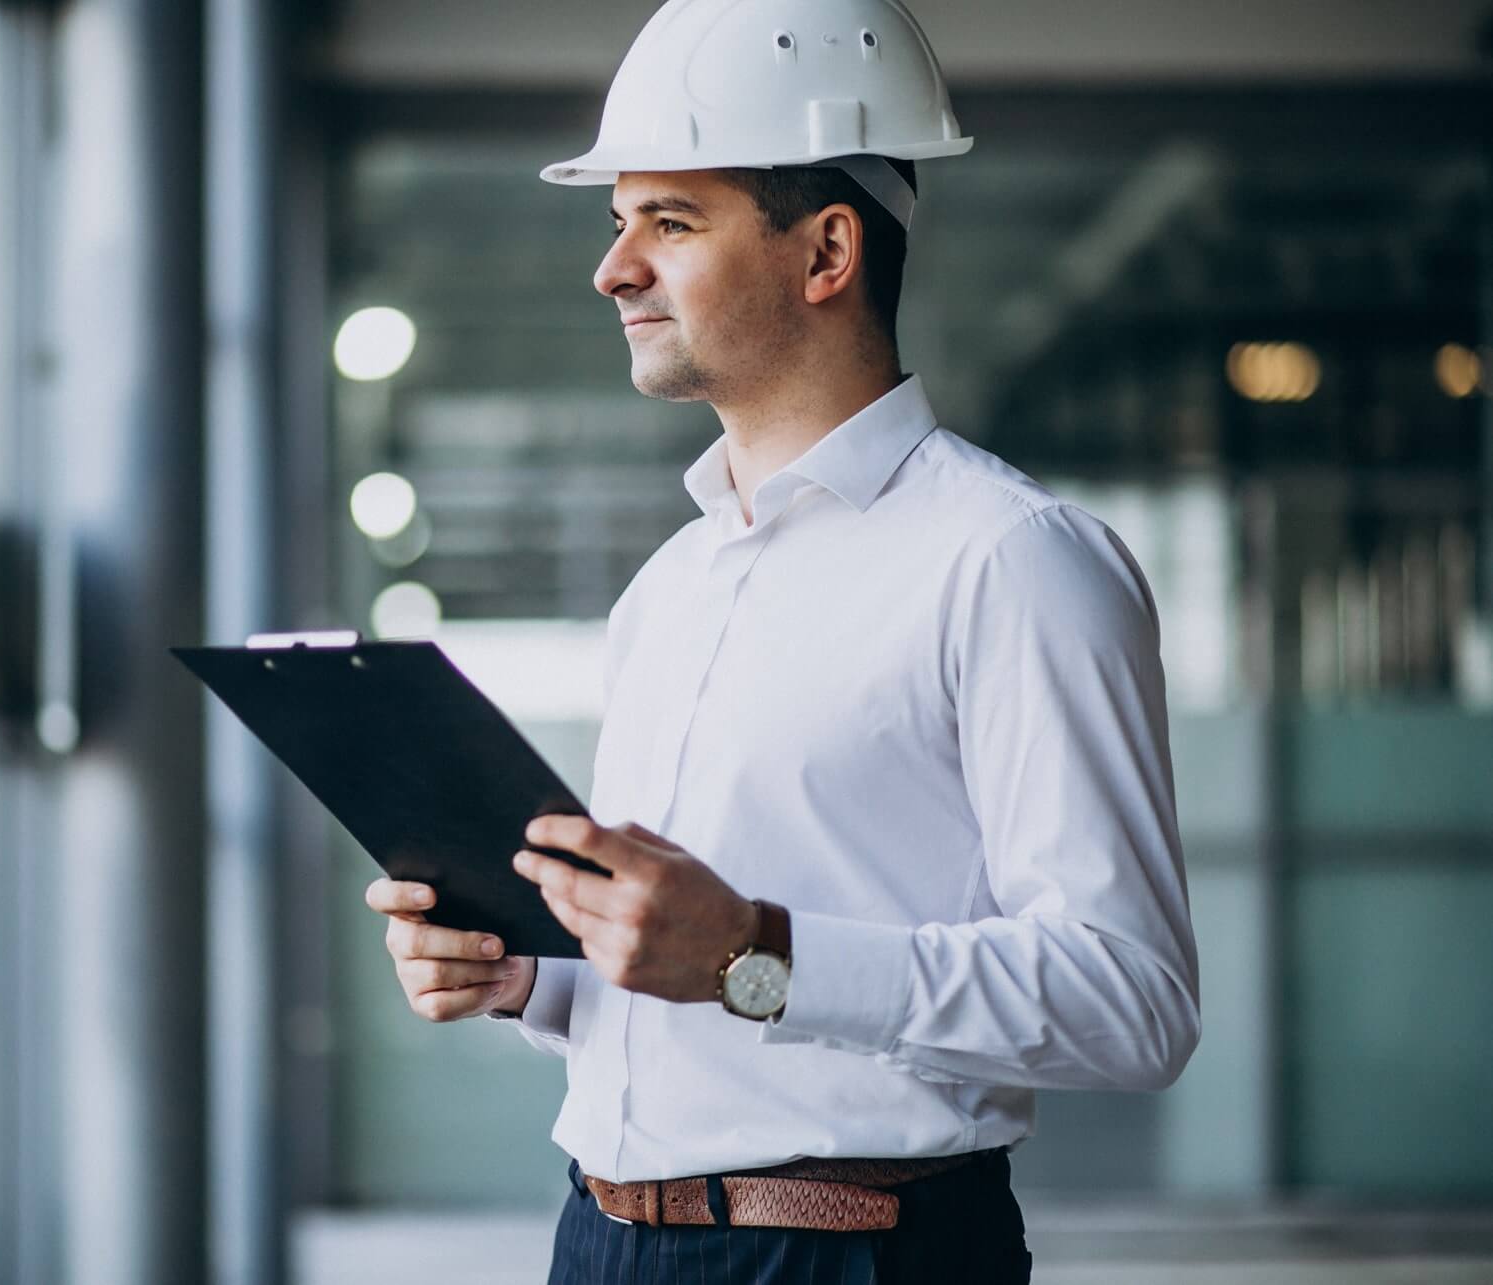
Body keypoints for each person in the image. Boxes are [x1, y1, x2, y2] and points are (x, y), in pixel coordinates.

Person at [365, 1, 1200, 1279]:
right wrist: (530, 979)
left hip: (856, 1255)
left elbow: (1131, 1003)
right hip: (601, 1236)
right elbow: (683, 987)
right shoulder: (670, 587)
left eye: (672, 222)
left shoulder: (1012, 559)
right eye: (618, 222)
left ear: (826, 253)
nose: (614, 269)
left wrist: (763, 955)